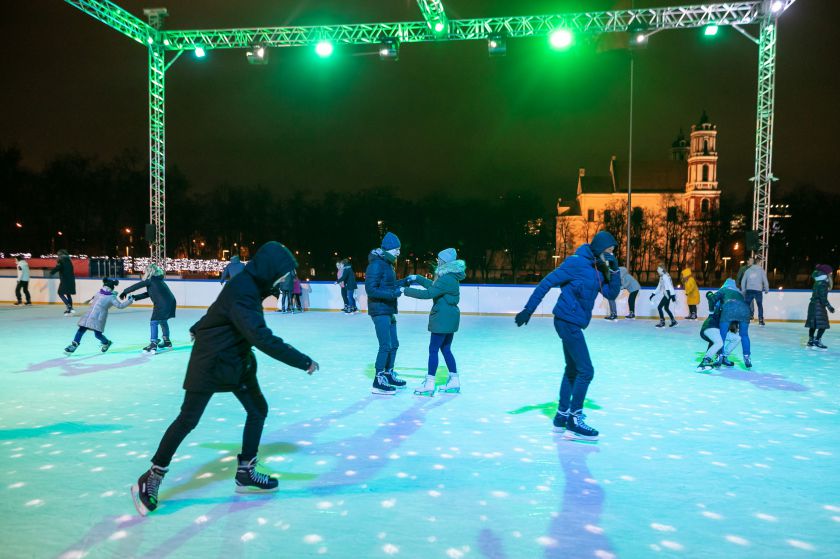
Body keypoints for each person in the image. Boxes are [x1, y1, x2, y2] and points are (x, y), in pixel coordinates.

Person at [131, 242, 319, 516]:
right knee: (188, 419)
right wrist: (302, 361)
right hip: (211, 362)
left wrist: (200, 325)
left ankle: (246, 472)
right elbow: (261, 337)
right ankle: (152, 476)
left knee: (258, 409)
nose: (283, 280)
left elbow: (219, 308)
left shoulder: (249, 285)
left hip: (236, 361)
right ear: (270, 269)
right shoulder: (244, 291)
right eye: (282, 273)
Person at [514, 231, 621, 441]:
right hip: (566, 320)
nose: (610, 255)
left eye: (613, 253)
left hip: (574, 322)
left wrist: (615, 270)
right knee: (586, 371)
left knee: (573, 370)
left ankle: (561, 416)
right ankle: (574, 418)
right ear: (599, 250)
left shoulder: (598, 269)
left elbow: (610, 294)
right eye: (608, 252)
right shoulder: (575, 263)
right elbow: (546, 283)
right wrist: (528, 309)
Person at [403, 248, 466, 396]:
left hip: (442, 318)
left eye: (439, 259)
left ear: (444, 261)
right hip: (449, 318)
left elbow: (429, 293)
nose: (437, 261)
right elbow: (434, 287)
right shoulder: (450, 276)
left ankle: (430, 383)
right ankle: (454, 380)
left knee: (433, 350)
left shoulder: (446, 278)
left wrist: (405, 291)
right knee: (445, 349)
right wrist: (417, 278)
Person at [365, 232, 408, 395]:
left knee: (394, 344)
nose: (398, 252)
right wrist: (392, 294)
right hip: (379, 310)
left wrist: (405, 281)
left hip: (388, 309)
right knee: (385, 345)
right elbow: (371, 289)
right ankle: (378, 379)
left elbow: (389, 285)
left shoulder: (388, 263)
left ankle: (388, 373)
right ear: (388, 249)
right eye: (396, 249)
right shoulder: (376, 264)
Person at [64, 278, 133, 354]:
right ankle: (74, 345)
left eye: (106, 287)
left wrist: (129, 301)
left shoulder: (111, 297)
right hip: (89, 315)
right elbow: (94, 299)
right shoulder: (99, 293)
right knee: (81, 329)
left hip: (99, 317)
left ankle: (106, 342)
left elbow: (120, 305)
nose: (104, 288)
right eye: (104, 286)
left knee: (97, 334)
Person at [121, 263, 178, 353]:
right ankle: (167, 341)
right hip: (170, 302)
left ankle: (153, 343)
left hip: (162, 304)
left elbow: (137, 286)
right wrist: (136, 297)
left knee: (154, 322)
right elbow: (150, 293)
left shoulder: (150, 280)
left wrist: (125, 292)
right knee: (163, 321)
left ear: (149, 272)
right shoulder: (158, 280)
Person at [709, 278, 753, 368]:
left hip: (728, 310)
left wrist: (712, 310)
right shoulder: (739, 293)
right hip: (745, 311)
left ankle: (719, 356)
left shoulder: (723, 289)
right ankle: (747, 357)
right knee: (744, 335)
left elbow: (714, 300)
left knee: (723, 334)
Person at [697, 291, 741, 370]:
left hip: (718, 332)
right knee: (719, 342)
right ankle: (705, 361)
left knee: (736, 338)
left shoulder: (733, 318)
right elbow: (711, 298)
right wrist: (710, 294)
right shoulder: (721, 309)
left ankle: (724, 357)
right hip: (709, 327)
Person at [805, 264, 835, 350]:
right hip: (819, 306)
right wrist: (829, 307)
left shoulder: (817, 282)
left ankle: (811, 340)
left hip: (813, 305)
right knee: (823, 325)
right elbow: (823, 298)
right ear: (827, 273)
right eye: (830, 272)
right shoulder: (823, 283)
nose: (831, 274)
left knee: (813, 324)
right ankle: (817, 340)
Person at [740, 257, 770, 326]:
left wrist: (743, 289)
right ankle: (760, 320)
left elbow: (743, 281)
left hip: (749, 290)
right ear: (758, 263)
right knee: (759, 305)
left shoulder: (748, 270)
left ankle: (745, 319)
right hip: (758, 291)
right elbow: (765, 280)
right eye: (760, 263)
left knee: (747, 305)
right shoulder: (761, 270)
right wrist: (766, 289)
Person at [50, 249, 76, 315]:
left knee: (60, 293)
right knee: (68, 294)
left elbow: (58, 267)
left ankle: (69, 306)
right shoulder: (69, 261)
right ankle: (70, 309)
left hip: (65, 280)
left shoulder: (61, 260)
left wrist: (52, 272)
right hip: (71, 280)